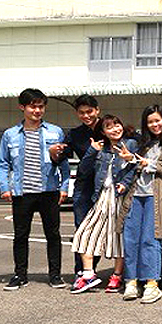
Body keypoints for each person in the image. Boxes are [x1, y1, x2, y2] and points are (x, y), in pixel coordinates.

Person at [0, 88, 70, 290]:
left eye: (41, 106)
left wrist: (64, 187)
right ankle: (20, 275)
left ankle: (55, 275)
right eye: (33, 106)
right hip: (22, 192)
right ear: (22, 107)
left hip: (49, 191)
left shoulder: (55, 132)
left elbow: (63, 163)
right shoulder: (10, 135)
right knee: (21, 235)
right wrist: (4, 187)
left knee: (53, 234)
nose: (37, 110)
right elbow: (2, 163)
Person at [117, 105, 162, 304]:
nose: (155, 125)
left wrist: (152, 164)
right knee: (130, 239)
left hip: (157, 197)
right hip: (135, 195)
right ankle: (130, 282)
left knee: (151, 240)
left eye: (158, 120)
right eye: (150, 122)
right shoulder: (144, 144)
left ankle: (151, 285)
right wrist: (133, 160)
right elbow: (137, 162)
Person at [70, 115, 137, 294]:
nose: (115, 129)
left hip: (120, 197)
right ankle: (89, 274)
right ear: (103, 132)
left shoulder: (130, 144)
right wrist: (91, 151)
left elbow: (137, 167)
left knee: (118, 238)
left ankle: (116, 276)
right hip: (101, 197)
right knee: (83, 234)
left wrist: (126, 180)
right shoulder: (101, 148)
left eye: (117, 124)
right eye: (109, 127)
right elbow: (83, 171)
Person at [49, 94, 103, 284]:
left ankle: (118, 274)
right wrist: (54, 153)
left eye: (90, 111)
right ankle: (82, 272)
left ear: (97, 110)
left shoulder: (109, 126)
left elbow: (136, 138)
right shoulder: (75, 134)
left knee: (109, 230)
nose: (86, 115)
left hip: (108, 186)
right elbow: (60, 157)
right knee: (82, 230)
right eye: (82, 113)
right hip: (84, 187)